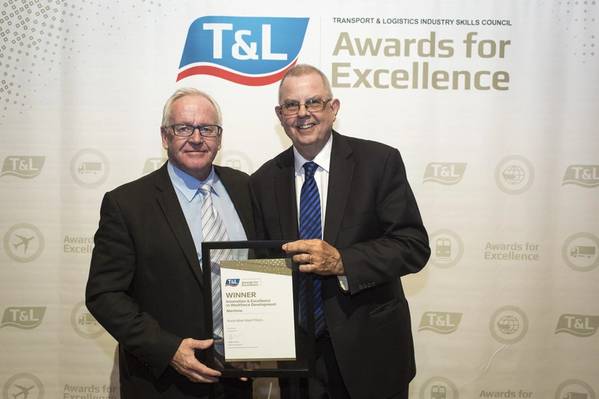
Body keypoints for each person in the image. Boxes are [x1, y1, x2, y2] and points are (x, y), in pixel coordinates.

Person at [250, 65, 431, 399]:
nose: (303, 114)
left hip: (372, 353)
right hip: (299, 361)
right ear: (280, 114)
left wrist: (343, 261)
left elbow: (413, 245)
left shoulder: (379, 162)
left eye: (313, 103)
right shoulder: (262, 181)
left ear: (333, 109)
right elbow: (261, 264)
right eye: (292, 105)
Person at [86, 88, 254, 399]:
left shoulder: (247, 189)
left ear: (219, 137)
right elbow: (104, 294)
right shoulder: (127, 204)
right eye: (183, 128)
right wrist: (169, 350)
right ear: (165, 137)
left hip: (236, 380)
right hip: (162, 382)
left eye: (207, 128)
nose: (196, 138)